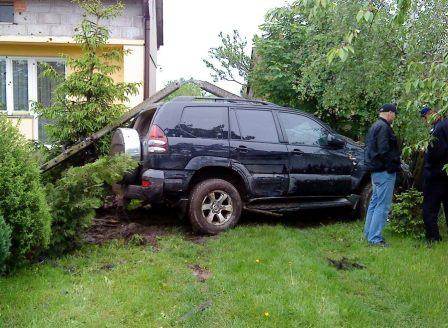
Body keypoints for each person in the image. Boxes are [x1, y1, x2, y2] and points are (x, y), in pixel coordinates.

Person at [364, 104, 401, 247]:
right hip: (384, 171)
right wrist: (393, 166)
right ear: (390, 113)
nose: (394, 117)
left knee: (374, 203)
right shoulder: (384, 128)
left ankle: (368, 234)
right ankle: (375, 239)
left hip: (375, 171)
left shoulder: (375, 126)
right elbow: (384, 151)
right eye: (394, 114)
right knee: (383, 206)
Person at [420, 107, 448, 242]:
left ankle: (433, 237)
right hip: (445, 173)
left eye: (425, 117)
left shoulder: (438, 128)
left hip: (436, 175)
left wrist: (428, 164)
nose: (425, 121)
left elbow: (435, 153)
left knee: (430, 208)